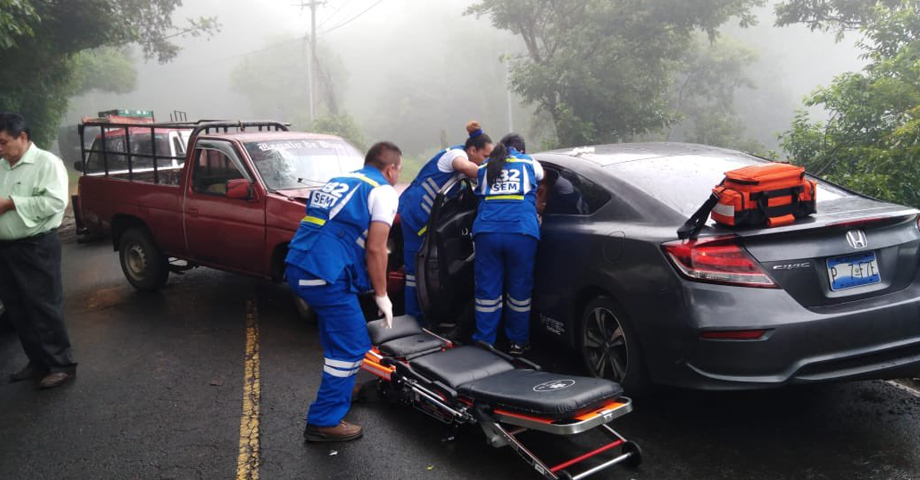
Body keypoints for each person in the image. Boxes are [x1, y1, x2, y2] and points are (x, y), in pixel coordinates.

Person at [285, 141, 402, 442]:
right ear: (390, 169)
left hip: (299, 263)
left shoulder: (342, 180)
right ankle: (324, 421)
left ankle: (344, 387)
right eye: (398, 170)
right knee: (352, 345)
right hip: (323, 272)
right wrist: (382, 294)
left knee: (336, 335)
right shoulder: (383, 191)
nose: (398, 176)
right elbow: (377, 248)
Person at [0, 112, 77, 388]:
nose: (0, 149)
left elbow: (55, 202)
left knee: (43, 307)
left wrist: (11, 203)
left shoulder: (47, 163)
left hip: (36, 247)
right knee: (17, 308)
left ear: (23, 137)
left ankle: (61, 364)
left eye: (3, 142)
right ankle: (38, 361)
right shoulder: (2, 167)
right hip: (6, 248)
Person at [397, 121, 493, 325]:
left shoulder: (467, 159)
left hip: (426, 218)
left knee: (423, 267)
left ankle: (427, 316)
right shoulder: (455, 155)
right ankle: (412, 321)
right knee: (415, 270)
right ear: (472, 150)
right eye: (485, 157)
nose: (486, 162)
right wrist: (498, 173)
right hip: (414, 213)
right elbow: (467, 168)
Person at [471, 133, 543, 355]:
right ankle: (518, 343)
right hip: (521, 232)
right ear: (521, 150)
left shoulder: (485, 166)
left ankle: (485, 341)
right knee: (519, 290)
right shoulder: (529, 162)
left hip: (487, 233)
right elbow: (541, 178)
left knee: (487, 291)